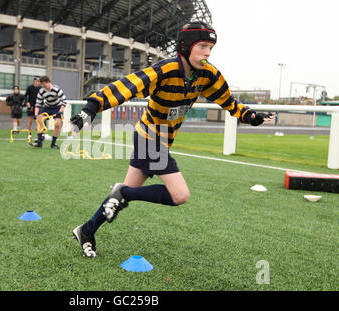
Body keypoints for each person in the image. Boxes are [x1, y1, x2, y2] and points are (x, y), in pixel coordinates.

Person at [69, 22, 274, 258]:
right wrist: (92, 107)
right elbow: (129, 85)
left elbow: (228, 100)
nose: (208, 52)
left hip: (160, 141)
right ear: (186, 47)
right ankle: (122, 193)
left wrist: (250, 116)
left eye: (211, 48)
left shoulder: (207, 74)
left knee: (120, 198)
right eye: (203, 46)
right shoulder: (165, 70)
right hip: (149, 139)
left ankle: (86, 230)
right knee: (179, 195)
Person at [31, 76, 67, 149]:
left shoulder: (56, 89)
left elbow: (64, 101)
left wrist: (60, 111)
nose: (43, 85)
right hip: (47, 107)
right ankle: (39, 142)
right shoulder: (41, 91)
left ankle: (53, 144)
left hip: (58, 107)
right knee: (39, 120)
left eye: (44, 84)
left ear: (49, 82)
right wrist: (35, 114)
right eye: (42, 84)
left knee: (57, 124)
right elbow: (38, 103)